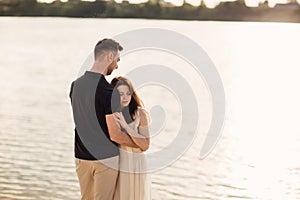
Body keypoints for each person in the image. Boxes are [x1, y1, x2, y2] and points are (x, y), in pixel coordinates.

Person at [69, 39, 140, 200]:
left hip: (80, 157)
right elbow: (115, 135)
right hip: (105, 159)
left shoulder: (75, 86)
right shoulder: (109, 92)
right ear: (109, 56)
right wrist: (140, 144)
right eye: (117, 60)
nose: (116, 65)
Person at [110, 76, 151, 200]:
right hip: (118, 163)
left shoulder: (140, 113)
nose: (125, 97)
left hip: (136, 163)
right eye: (121, 94)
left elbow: (145, 145)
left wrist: (126, 127)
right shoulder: (111, 113)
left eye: (128, 93)